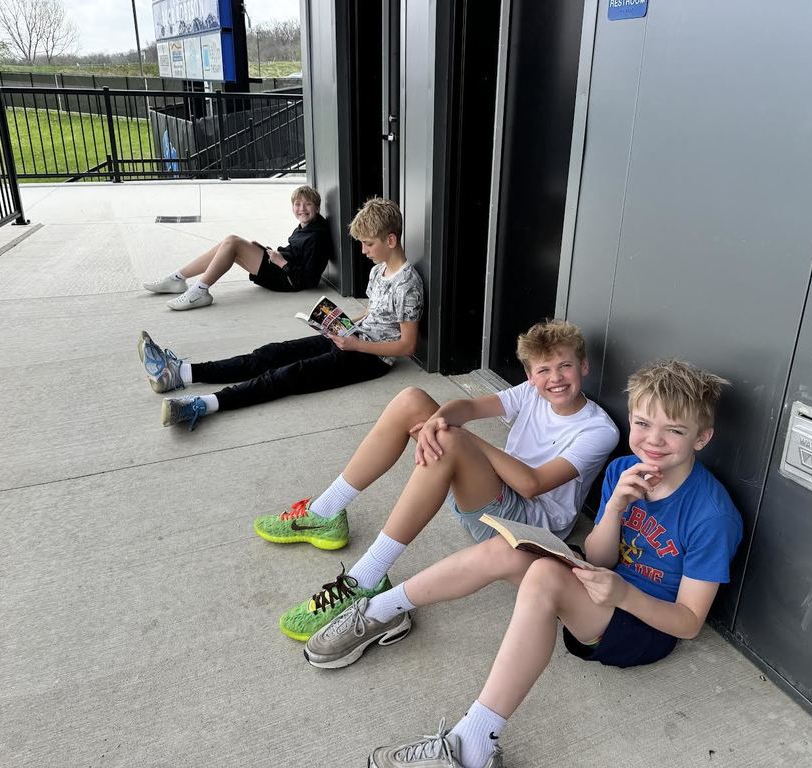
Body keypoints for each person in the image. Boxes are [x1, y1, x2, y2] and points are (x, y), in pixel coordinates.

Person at [350, 359, 743, 768]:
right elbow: (600, 557)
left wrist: (623, 593)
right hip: (604, 587)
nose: (653, 441)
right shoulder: (625, 470)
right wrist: (614, 509)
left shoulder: (711, 515)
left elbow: (689, 622)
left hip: (643, 626)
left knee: (542, 577)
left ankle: (473, 746)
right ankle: (377, 610)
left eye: (675, 431)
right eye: (643, 424)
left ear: (702, 437)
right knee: (508, 548)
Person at [253, 319, 621, 645]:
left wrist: (456, 435)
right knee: (412, 400)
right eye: (544, 370)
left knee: (452, 439)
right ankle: (326, 510)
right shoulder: (531, 393)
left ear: (583, 366)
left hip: (525, 527)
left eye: (565, 366)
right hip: (488, 495)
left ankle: (366, 576)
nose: (555, 378)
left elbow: (531, 484)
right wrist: (439, 419)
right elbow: (471, 408)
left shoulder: (598, 429)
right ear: (529, 375)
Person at [138, 197, 423, 430]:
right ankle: (180, 374)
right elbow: (371, 312)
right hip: (351, 337)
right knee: (269, 353)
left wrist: (355, 344)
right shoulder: (378, 270)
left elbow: (406, 346)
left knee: (287, 375)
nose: (363, 251)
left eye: (368, 244)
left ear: (390, 240)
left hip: (372, 358)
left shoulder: (408, 284)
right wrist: (338, 323)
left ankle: (205, 403)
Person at [142, 185, 333, 310]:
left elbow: (308, 280)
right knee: (227, 244)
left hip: (286, 279)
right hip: (279, 266)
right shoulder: (306, 226)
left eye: (308, 204)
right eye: (297, 204)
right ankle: (177, 279)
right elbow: (296, 252)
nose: (302, 209)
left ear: (317, 207)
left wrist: (281, 262)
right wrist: (269, 252)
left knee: (233, 242)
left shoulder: (317, 235)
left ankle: (198, 291)